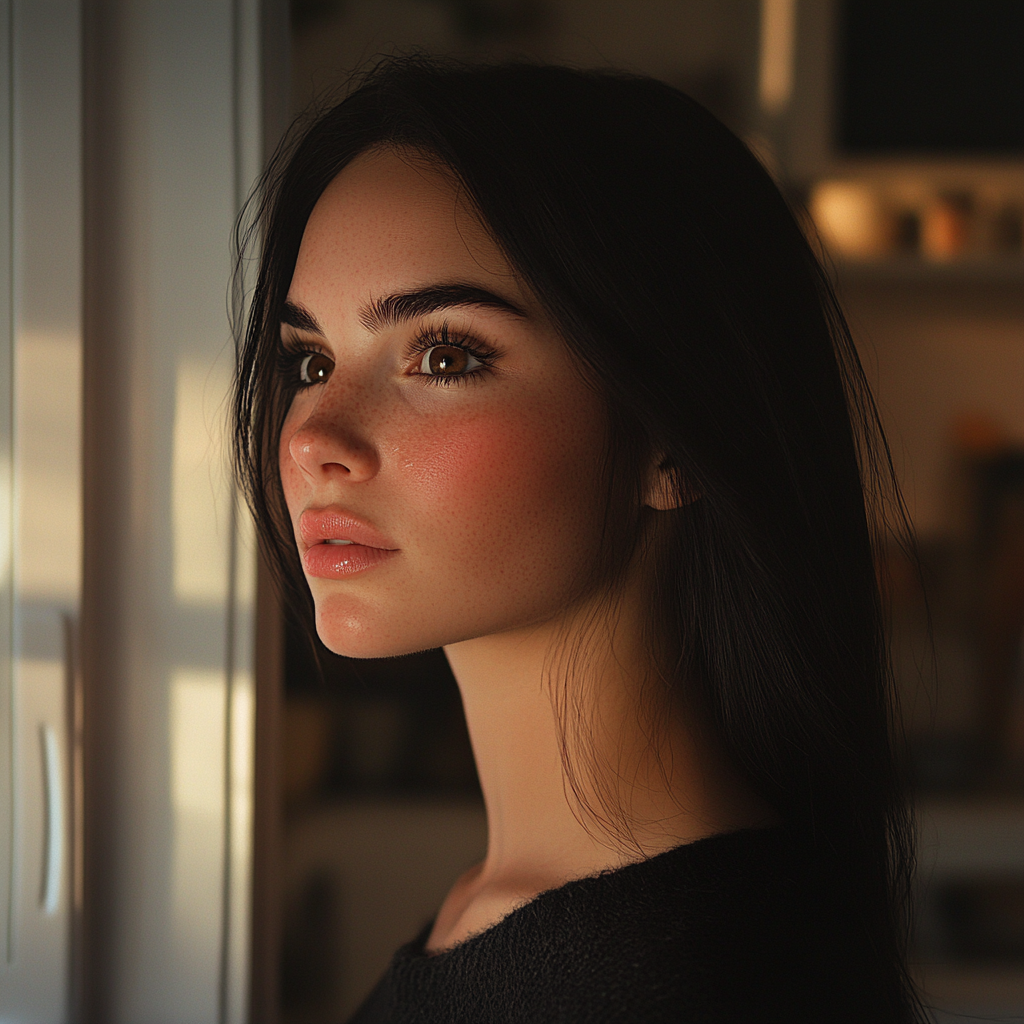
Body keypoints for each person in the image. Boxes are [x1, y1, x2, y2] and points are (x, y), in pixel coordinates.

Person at [234, 57, 924, 1023]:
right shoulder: (512, 913)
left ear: (676, 440)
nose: (311, 439)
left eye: (444, 355)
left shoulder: (690, 980)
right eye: (310, 359)